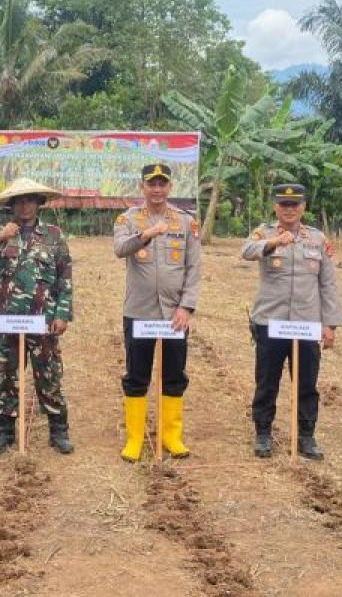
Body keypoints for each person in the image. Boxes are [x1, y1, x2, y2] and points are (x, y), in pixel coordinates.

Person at [0, 177, 75, 455]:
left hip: (43, 321)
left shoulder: (53, 235)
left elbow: (64, 277)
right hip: (10, 320)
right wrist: (0, 238)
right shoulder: (1, 230)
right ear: (12, 204)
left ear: (39, 203)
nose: (25, 205)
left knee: (49, 374)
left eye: (30, 199)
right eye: (19, 200)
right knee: (7, 376)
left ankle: (59, 430)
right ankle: (4, 432)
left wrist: (63, 314)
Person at [240, 183, 341, 460]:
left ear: (303, 207)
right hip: (271, 322)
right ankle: (263, 433)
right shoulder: (265, 233)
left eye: (295, 204)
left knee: (307, 383)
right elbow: (246, 250)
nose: (289, 209)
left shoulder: (317, 240)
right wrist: (273, 243)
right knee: (267, 381)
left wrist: (329, 324)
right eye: (284, 204)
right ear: (276, 207)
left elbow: (328, 284)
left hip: (306, 324)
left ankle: (306, 436)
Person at [112, 163, 202, 461]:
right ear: (143, 187)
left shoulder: (186, 222)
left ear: (170, 187)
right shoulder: (127, 219)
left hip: (174, 315)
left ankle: (171, 435)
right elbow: (120, 249)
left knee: (174, 374)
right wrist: (147, 234)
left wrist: (186, 307)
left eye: (163, 184)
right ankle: (135, 438)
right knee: (137, 375)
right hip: (139, 312)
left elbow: (193, 269)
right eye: (152, 184)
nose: (157, 189)